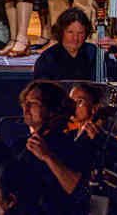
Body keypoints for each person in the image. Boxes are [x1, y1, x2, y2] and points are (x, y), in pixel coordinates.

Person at [14, 80, 90, 214]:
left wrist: (48, 156)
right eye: (25, 102)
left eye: (34, 103)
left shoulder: (69, 146)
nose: (26, 107)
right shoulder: (20, 144)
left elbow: (79, 191)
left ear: (51, 110)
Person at [34, 6, 117, 80]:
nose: (75, 38)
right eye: (70, 32)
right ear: (61, 32)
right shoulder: (48, 58)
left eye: (80, 33)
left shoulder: (93, 52)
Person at [68, 83, 117, 171]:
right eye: (71, 102)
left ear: (95, 108)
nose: (73, 107)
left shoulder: (104, 139)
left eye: (80, 101)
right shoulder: (69, 135)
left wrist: (98, 139)